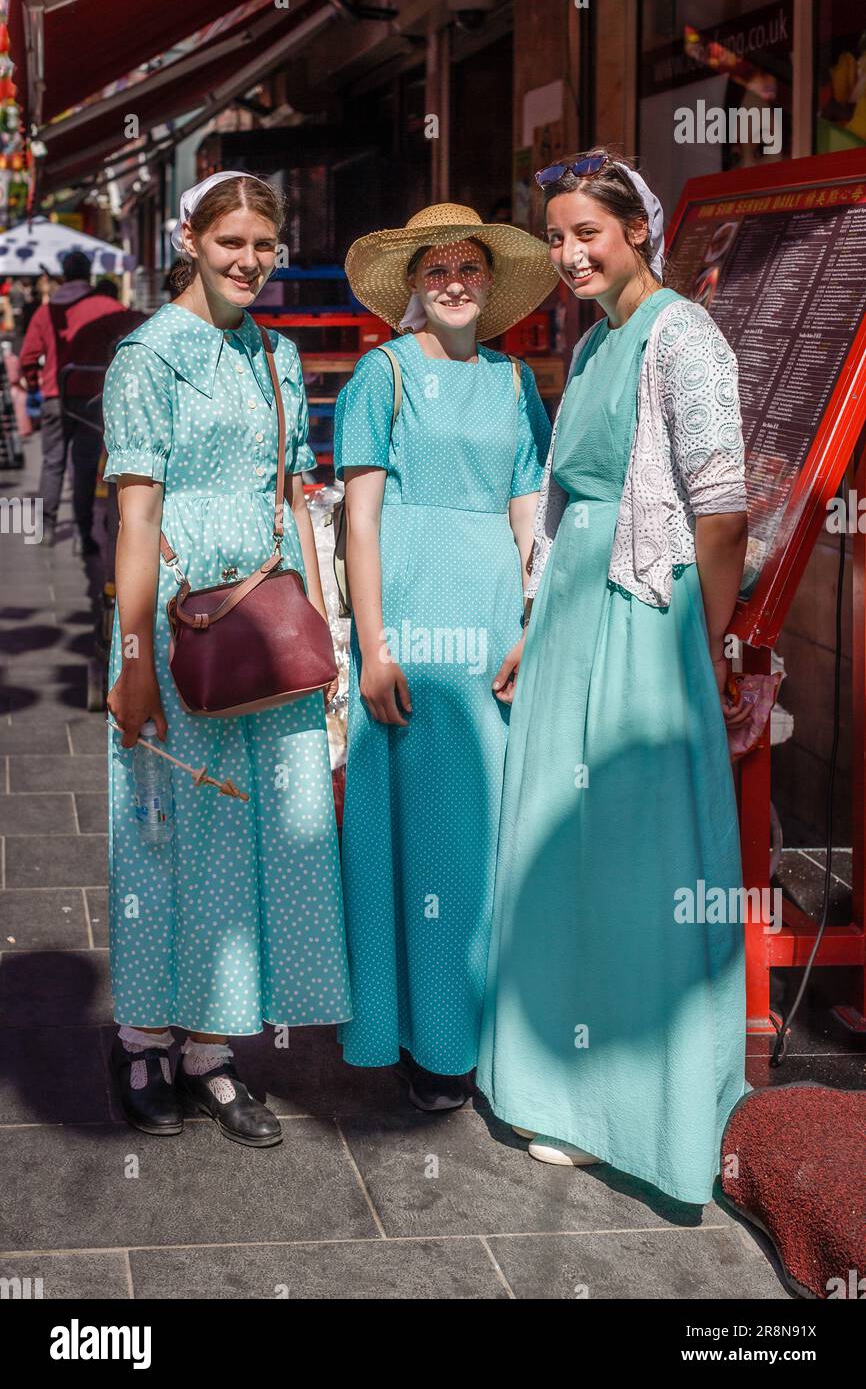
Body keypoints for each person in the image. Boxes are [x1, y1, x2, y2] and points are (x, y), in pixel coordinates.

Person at [475, 150, 753, 1206]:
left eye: (586, 231)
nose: (567, 252)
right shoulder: (591, 344)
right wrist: (533, 619)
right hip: (573, 616)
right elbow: (561, 499)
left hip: (647, 614)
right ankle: (561, 1089)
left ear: (637, 229)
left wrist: (700, 640)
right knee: (560, 840)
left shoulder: (683, 336)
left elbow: (719, 510)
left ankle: (644, 1110)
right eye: (554, 236)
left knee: (637, 855)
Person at [103, 171, 351, 1147]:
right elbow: (135, 514)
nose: (249, 261)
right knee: (164, 834)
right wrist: (129, 658)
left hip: (270, 614)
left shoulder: (278, 354)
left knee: (260, 843)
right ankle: (138, 1038)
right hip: (176, 619)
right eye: (230, 242)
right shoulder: (147, 357)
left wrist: (325, 626)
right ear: (191, 240)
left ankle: (210, 1049)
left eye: (263, 244)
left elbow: (296, 497)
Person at [333, 203, 556, 1109]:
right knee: (421, 833)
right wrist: (373, 643)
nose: (455, 281)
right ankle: (425, 1039)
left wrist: (535, 615)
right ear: (416, 287)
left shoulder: (514, 383)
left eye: (470, 268)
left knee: (489, 829)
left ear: (492, 284)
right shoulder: (379, 376)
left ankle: (480, 1026)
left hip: (494, 618)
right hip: (412, 623)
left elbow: (529, 509)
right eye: (437, 270)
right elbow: (359, 518)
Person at [20, 249, 126, 552]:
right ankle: (83, 535)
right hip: (92, 397)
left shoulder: (47, 310)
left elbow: (28, 356)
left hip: (56, 394)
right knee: (84, 465)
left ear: (64, 275)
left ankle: (47, 529)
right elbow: (138, 329)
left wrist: (33, 383)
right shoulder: (105, 306)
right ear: (89, 273)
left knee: (52, 463)